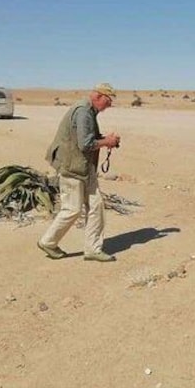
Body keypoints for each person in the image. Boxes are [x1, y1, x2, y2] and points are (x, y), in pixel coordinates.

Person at [38, 83, 121, 262]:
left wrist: (107, 140)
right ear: (98, 97)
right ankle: (48, 242)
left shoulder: (89, 111)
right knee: (72, 209)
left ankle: (93, 249)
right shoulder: (84, 111)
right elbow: (85, 144)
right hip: (73, 169)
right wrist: (107, 141)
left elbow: (89, 139)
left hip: (84, 169)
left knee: (96, 206)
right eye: (108, 101)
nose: (109, 105)